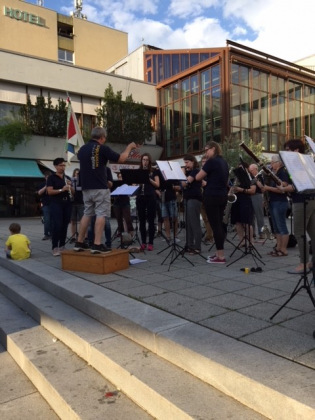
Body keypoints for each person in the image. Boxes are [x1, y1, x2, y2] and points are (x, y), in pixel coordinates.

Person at [74, 126, 136, 254]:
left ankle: (79, 242)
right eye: (104, 138)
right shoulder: (102, 148)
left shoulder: (82, 150)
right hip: (100, 187)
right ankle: (97, 244)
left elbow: (84, 160)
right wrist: (129, 147)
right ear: (102, 138)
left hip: (86, 187)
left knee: (87, 213)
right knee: (101, 213)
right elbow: (121, 159)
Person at [283, 139, 315, 275]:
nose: (286, 152)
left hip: (302, 201)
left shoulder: (298, 164)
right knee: (313, 232)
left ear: (296, 150)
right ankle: (312, 262)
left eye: (288, 149)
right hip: (311, 200)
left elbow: (299, 186)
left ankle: (303, 263)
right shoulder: (306, 163)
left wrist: (285, 188)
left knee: (299, 232)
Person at [195, 142, 229, 263]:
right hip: (222, 195)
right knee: (218, 224)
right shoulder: (224, 162)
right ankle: (218, 253)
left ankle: (220, 256)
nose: (206, 153)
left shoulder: (211, 161)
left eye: (207, 150)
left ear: (213, 149)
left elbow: (198, 177)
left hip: (212, 196)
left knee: (215, 226)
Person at [258, 154, 290, 257]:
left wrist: (268, 188)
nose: (271, 165)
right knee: (276, 227)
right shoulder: (274, 173)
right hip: (273, 201)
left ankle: (284, 249)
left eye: (272, 162)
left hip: (280, 202)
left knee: (281, 226)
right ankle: (278, 248)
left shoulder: (283, 172)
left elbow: (282, 190)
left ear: (278, 163)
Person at [46, 158, 74, 257]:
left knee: (65, 225)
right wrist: (62, 190)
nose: (63, 167)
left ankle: (62, 245)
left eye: (64, 165)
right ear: (56, 166)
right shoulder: (51, 178)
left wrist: (70, 187)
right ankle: (55, 247)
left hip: (67, 203)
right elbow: (49, 192)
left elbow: (73, 193)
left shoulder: (67, 178)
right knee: (57, 225)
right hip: (56, 203)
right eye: (61, 165)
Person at [136, 153, 160, 251]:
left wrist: (148, 179)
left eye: (146, 160)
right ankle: (143, 242)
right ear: (141, 161)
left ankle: (150, 242)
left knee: (151, 220)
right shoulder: (138, 171)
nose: (145, 161)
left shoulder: (154, 171)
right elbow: (134, 183)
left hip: (150, 197)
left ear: (149, 161)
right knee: (141, 221)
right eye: (143, 160)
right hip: (140, 197)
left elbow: (157, 184)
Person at [230, 163, 256, 246]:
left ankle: (251, 241)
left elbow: (253, 191)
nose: (239, 169)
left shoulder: (250, 177)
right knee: (237, 222)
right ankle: (242, 241)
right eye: (239, 167)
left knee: (246, 222)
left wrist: (240, 189)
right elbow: (232, 188)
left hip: (245, 200)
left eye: (241, 167)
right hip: (236, 201)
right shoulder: (236, 178)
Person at [181, 154, 202, 254]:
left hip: (194, 199)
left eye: (187, 162)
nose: (186, 165)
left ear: (193, 162)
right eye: (184, 163)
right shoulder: (188, 172)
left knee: (194, 223)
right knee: (188, 224)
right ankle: (189, 245)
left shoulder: (196, 171)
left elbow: (186, 182)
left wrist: (182, 174)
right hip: (187, 198)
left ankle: (197, 246)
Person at [158, 171, 180, 243]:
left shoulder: (172, 174)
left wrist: (174, 188)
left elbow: (179, 186)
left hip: (171, 197)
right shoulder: (159, 174)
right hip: (163, 198)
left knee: (174, 217)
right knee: (165, 218)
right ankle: (168, 236)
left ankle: (175, 236)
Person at [112, 172, 134, 240]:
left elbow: (130, 192)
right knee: (119, 220)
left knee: (128, 220)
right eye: (119, 177)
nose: (120, 178)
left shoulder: (126, 184)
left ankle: (131, 236)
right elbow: (112, 194)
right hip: (117, 203)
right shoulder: (115, 185)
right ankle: (121, 236)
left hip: (125, 203)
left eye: (121, 176)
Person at [200, 154, 214, 244]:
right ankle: (208, 235)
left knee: (209, 218)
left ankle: (210, 236)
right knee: (204, 218)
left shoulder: (211, 172)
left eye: (206, 162)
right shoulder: (201, 172)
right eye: (203, 162)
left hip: (209, 196)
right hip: (201, 197)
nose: (204, 163)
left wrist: (206, 182)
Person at [248, 163, 265, 240]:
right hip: (250, 196)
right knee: (251, 216)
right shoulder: (249, 176)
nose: (250, 171)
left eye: (252, 170)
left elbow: (262, 187)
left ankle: (262, 233)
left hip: (257, 195)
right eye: (250, 170)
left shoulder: (260, 176)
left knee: (259, 215)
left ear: (256, 169)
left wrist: (256, 180)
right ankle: (253, 232)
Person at [69, 168, 84, 243]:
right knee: (73, 220)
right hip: (73, 202)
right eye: (75, 173)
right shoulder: (71, 182)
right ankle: (73, 236)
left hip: (81, 202)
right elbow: (72, 193)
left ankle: (82, 236)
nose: (76, 175)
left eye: (78, 174)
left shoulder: (82, 182)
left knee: (82, 220)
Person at [37, 171, 52, 240]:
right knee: (47, 219)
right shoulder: (42, 184)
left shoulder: (53, 184)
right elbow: (39, 193)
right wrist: (46, 186)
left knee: (54, 220)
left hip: (54, 204)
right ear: (45, 178)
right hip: (46, 204)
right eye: (47, 178)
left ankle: (52, 234)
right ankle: (46, 234)